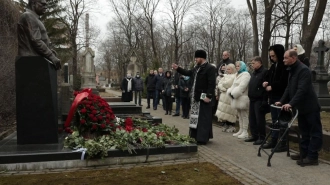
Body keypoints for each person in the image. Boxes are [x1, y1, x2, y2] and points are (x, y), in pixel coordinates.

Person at [275, 49, 323, 166]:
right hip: (301, 108)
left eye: (286, 58)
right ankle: (304, 153)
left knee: (314, 132)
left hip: (310, 107)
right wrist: (281, 101)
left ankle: (312, 157)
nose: (283, 60)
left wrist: (291, 103)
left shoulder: (304, 70)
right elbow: (289, 87)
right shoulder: (292, 70)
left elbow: (302, 90)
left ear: (294, 58)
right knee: (304, 132)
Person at [172, 50, 216, 145]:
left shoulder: (210, 68)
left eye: (196, 58)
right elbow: (188, 73)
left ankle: (202, 138)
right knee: (195, 117)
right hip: (195, 96)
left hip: (204, 96)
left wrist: (208, 96)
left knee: (203, 118)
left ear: (201, 58)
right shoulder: (196, 68)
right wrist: (178, 68)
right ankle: (194, 136)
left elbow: (211, 83)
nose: (195, 60)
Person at [18, 0, 61, 70]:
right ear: (33, 3)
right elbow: (36, 40)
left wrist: (50, 52)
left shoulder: (35, 18)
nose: (45, 7)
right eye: (43, 4)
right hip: (30, 60)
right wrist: (52, 56)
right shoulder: (28, 16)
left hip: (34, 60)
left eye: (46, 5)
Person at [262, 44, 289, 152]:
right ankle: (273, 140)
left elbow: (284, 82)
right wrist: (265, 82)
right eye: (270, 56)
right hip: (273, 96)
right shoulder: (274, 66)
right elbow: (268, 77)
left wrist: (272, 86)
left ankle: (283, 143)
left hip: (281, 96)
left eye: (273, 56)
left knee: (281, 120)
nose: (271, 58)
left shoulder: (284, 66)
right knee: (274, 120)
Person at [245, 56, 268, 144]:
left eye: (253, 63)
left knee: (259, 119)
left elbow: (265, 87)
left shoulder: (264, 72)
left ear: (259, 62)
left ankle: (262, 137)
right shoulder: (254, 73)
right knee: (252, 119)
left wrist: (264, 100)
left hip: (259, 99)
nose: (252, 65)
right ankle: (254, 135)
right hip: (252, 99)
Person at [227, 61, 251, 139]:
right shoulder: (238, 74)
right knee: (239, 115)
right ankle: (241, 130)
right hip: (237, 98)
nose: (237, 67)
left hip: (242, 97)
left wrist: (234, 93)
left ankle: (245, 131)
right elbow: (233, 85)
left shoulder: (246, 75)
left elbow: (242, 87)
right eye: (236, 66)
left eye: (238, 66)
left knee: (244, 115)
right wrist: (230, 92)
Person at [215, 64, 237, 132]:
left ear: (233, 69)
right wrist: (223, 89)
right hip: (223, 95)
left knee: (230, 111)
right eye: (227, 69)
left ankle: (231, 125)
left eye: (229, 69)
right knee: (224, 111)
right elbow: (219, 84)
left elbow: (228, 84)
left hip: (229, 96)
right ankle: (225, 124)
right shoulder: (225, 76)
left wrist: (224, 85)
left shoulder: (235, 76)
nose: (227, 70)